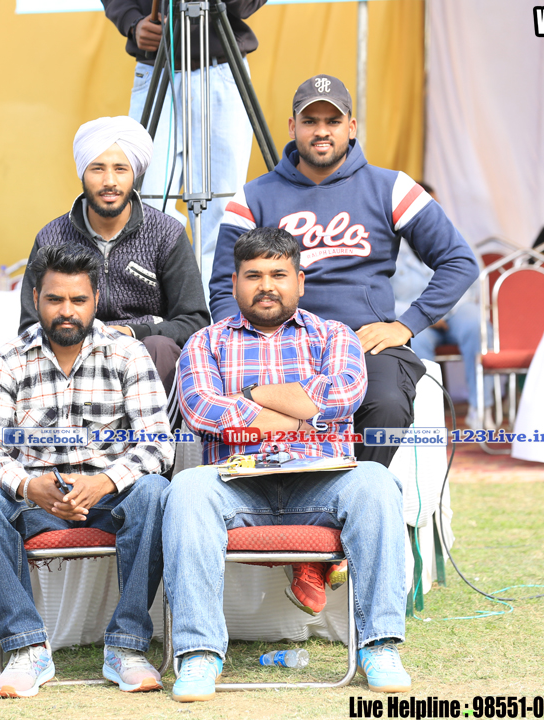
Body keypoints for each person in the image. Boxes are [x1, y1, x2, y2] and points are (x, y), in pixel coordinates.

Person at [164, 228, 411, 702]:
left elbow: (339, 398)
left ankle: (379, 645)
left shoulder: (334, 336)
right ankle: (198, 653)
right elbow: (203, 411)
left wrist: (248, 395)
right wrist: (302, 417)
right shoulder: (204, 343)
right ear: (234, 283)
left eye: (278, 274)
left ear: (299, 281)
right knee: (187, 488)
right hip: (237, 484)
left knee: (377, 481)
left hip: (321, 483)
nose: (266, 286)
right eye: (253, 275)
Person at [210, 75, 479, 467]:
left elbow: (459, 261)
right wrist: (242, 345)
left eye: (333, 121)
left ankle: (356, 492)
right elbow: (224, 285)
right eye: (310, 121)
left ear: (351, 127)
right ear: (293, 127)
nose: (322, 131)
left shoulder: (392, 187)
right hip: (278, 342)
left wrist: (406, 325)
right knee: (244, 407)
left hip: (364, 341)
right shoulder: (253, 196)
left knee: (387, 403)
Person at [0, 244, 174, 699]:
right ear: (36, 298)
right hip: (35, 502)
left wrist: (104, 482)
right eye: (55, 299)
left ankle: (127, 647)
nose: (67, 311)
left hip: (109, 499)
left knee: (155, 491)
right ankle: (27, 648)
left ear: (96, 300)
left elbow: (158, 443)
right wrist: (28, 485)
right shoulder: (8, 358)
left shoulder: (127, 353)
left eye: (78, 300)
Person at [19, 116, 210, 393]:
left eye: (120, 169)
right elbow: (30, 325)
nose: (109, 181)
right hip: (73, 355)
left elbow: (194, 321)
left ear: (135, 174)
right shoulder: (51, 238)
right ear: (83, 173)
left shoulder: (166, 233)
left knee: (159, 346)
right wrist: (86, 339)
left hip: (147, 357)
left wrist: (133, 333)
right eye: (98, 169)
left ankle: (155, 423)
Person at [102, 0, 266, 293]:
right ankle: (167, 305)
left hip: (221, 65)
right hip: (157, 65)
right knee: (147, 204)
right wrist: (132, 21)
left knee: (222, 210)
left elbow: (245, 6)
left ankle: (216, 310)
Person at [390, 183, 493, 430]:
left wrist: (442, 309)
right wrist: (420, 314)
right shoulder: (388, 240)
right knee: (413, 340)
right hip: (411, 315)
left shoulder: (455, 233)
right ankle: (427, 415)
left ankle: (481, 409)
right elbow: (383, 295)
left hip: (457, 309)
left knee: (477, 326)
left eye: (433, 204)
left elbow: (475, 278)